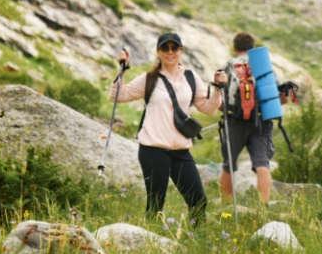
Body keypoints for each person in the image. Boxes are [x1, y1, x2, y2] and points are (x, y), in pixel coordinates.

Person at [113, 32, 218, 218]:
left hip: (181, 151)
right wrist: (122, 69)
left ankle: (192, 239)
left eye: (174, 48)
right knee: (156, 204)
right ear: (158, 51)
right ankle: (151, 243)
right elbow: (117, 96)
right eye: (165, 48)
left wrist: (218, 89)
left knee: (199, 201)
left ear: (181, 51)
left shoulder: (192, 78)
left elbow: (208, 108)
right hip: (152, 149)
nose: (170, 52)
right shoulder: (149, 79)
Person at [214, 32, 277, 206]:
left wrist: (228, 109)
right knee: (262, 164)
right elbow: (277, 97)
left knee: (229, 165)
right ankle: (263, 207)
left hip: (235, 122)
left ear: (234, 48)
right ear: (253, 48)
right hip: (261, 122)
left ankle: (226, 206)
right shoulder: (263, 66)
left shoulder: (228, 67)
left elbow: (219, 101)